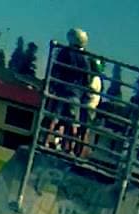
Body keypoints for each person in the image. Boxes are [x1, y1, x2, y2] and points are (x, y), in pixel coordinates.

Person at [46, 28, 94, 157]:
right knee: (73, 123)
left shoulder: (64, 52)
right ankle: (71, 149)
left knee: (54, 118)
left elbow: (56, 69)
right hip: (76, 94)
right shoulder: (85, 58)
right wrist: (84, 92)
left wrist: (53, 85)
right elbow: (87, 77)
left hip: (62, 90)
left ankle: (45, 141)